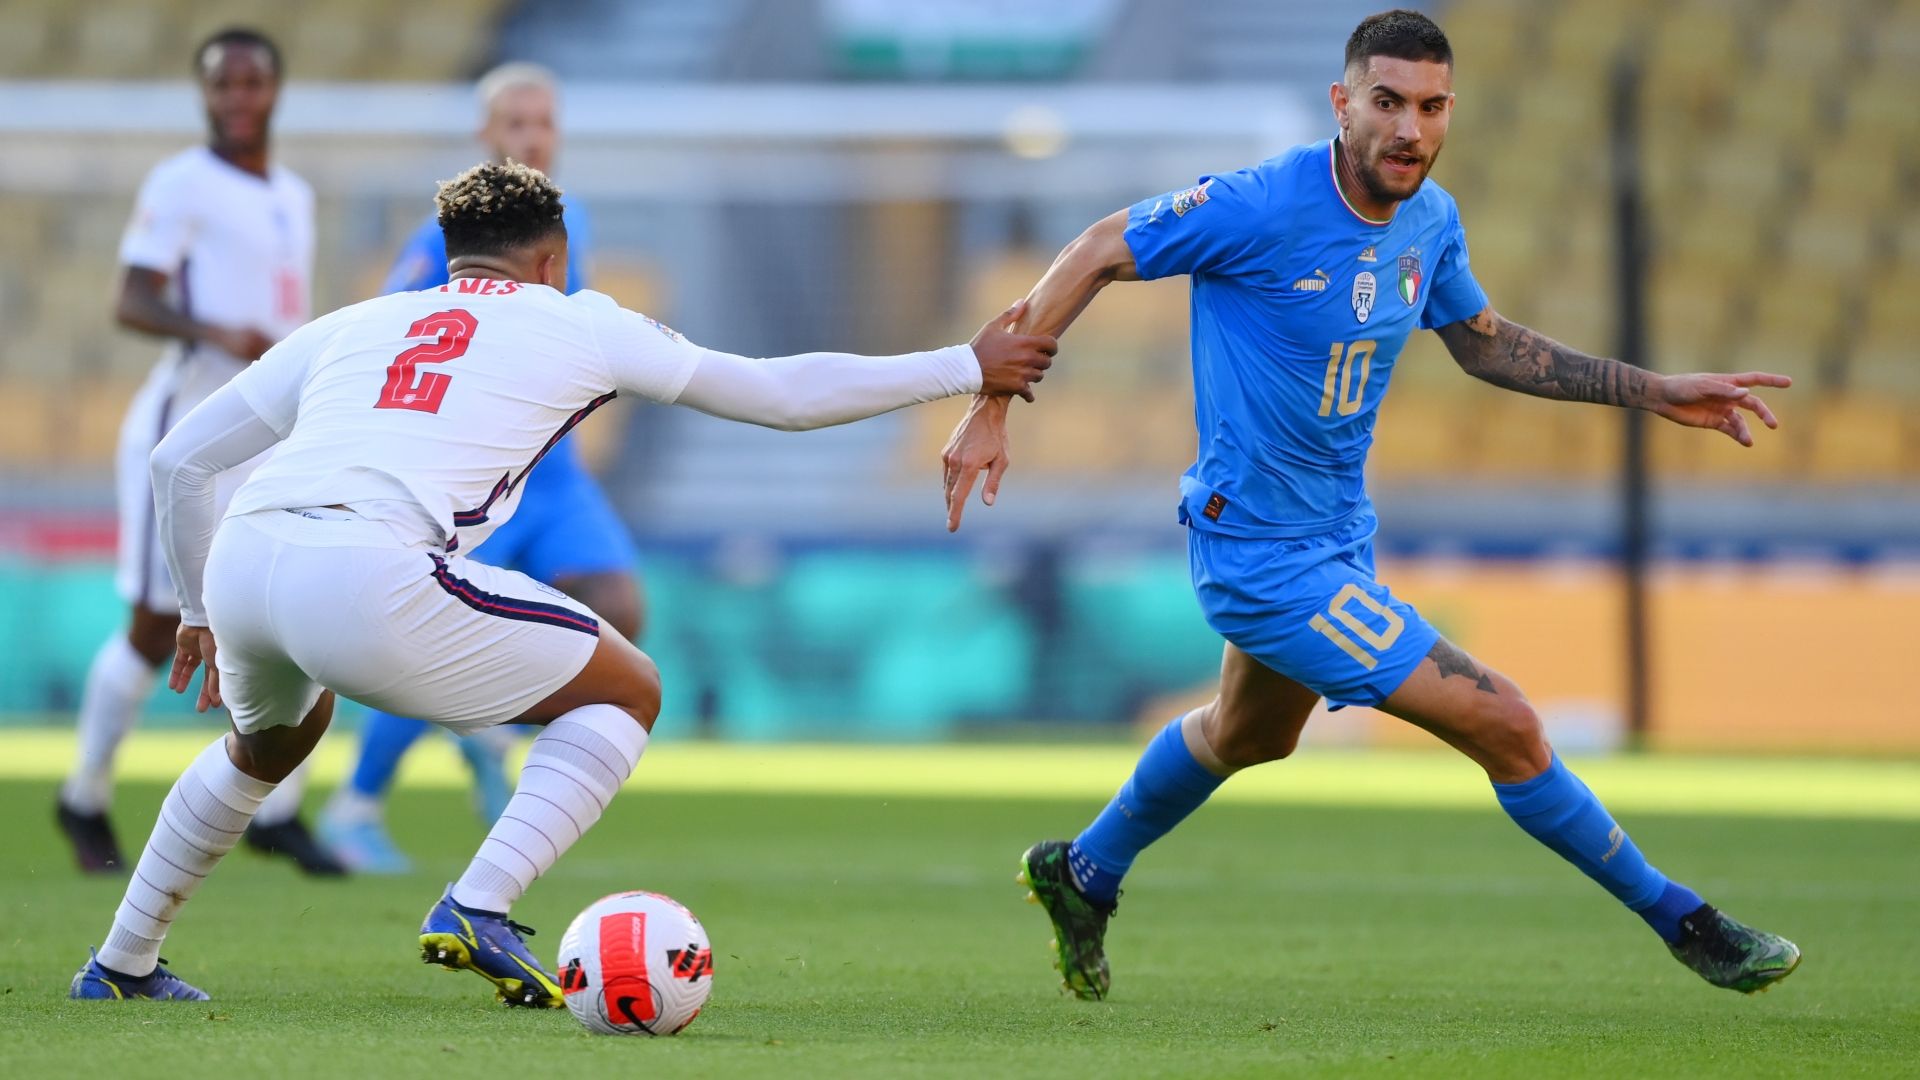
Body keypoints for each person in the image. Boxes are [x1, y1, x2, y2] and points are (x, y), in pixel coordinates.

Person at [940, 9, 1799, 1000]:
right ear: (1342, 104)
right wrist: (992, 403)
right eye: (1387, 103)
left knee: (1249, 734)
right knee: (1507, 722)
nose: (1409, 130)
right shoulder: (1260, 205)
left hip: (1338, 538)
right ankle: (1686, 921)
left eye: (1431, 108)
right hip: (1261, 556)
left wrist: (1652, 391)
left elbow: (1483, 344)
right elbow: (1096, 247)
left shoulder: (1431, 221)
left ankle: (1083, 872)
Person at [68, 160, 1055, 1002]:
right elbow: (781, 395)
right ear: (553, 258)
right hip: (366, 569)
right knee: (627, 688)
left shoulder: (356, 322)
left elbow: (178, 462)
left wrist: (195, 608)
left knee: (268, 744)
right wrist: (961, 365)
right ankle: (479, 903)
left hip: (245, 558)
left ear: (451, 255)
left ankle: (120, 963)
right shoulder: (580, 320)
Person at [319, 62, 642, 874]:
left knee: (618, 608)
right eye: (516, 123)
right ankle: (355, 807)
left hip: (554, 475)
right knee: (431, 646)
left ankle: (489, 729)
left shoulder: (573, 218)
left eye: (545, 122)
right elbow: (392, 325)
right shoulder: (446, 236)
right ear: (485, 135)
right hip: (477, 476)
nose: (533, 137)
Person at [55, 27, 343, 877]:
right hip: (187, 424)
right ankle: (83, 796)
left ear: (275, 91)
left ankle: (276, 810)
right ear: (205, 94)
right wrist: (218, 330)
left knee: (292, 601)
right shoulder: (182, 182)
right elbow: (133, 299)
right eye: (224, 84)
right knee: (155, 625)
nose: (238, 98)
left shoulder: (292, 193)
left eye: (252, 82)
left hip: (266, 429)